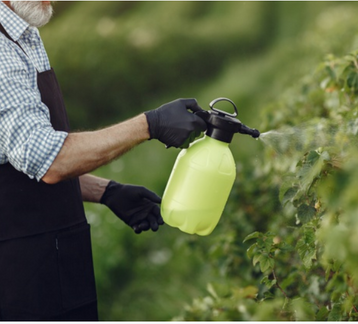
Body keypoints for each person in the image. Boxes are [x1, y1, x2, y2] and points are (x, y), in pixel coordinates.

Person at [0, 1, 207, 321]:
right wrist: (148, 125)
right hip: (19, 278)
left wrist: (106, 191)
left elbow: (20, 160)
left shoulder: (25, 36)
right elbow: (51, 159)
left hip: (53, 260)